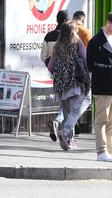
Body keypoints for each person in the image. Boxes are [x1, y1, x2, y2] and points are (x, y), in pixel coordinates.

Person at [86, 12, 112, 163]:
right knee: (102, 120)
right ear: (108, 23)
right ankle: (101, 151)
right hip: (103, 86)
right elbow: (91, 66)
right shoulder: (95, 41)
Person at [47, 22, 90, 150]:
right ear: (73, 32)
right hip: (75, 82)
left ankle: (69, 141)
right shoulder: (77, 42)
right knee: (78, 108)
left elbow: (50, 66)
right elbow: (85, 60)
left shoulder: (57, 46)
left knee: (67, 112)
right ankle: (65, 132)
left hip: (60, 85)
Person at [42, 10, 68, 142]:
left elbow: (43, 56)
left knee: (64, 100)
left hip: (55, 74)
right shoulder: (69, 36)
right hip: (69, 75)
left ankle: (60, 123)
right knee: (68, 101)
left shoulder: (49, 35)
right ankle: (58, 122)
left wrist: (52, 68)